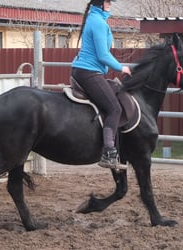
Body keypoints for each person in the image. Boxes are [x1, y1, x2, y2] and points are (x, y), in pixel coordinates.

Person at [71, 0, 131, 169]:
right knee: (115, 108)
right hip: (88, 72)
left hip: (85, 70)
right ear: (101, 3)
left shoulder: (95, 19)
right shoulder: (98, 22)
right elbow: (103, 55)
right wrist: (121, 67)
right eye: (108, 1)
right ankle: (109, 153)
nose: (110, 4)